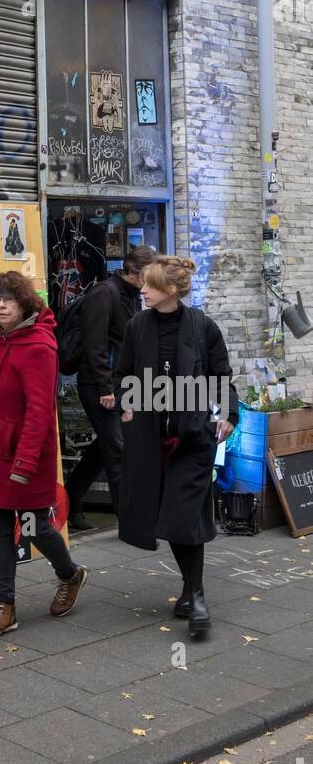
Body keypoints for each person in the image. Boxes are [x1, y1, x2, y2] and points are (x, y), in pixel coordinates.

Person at [113, 254, 238, 638]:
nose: (142, 289)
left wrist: (228, 415)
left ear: (170, 290)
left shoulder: (203, 327)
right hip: (151, 441)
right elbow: (123, 374)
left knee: (185, 516)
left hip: (192, 438)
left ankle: (196, 596)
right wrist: (126, 402)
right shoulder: (137, 326)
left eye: (148, 285)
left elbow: (221, 376)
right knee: (163, 516)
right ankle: (188, 590)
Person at [0, 271, 87, 638]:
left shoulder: (39, 347)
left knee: (34, 527)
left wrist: (26, 461)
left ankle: (70, 573)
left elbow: (39, 412)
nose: (1, 305)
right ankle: (5, 606)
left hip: (25, 457)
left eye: (9, 300)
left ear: (24, 304)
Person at [65, 245, 156, 531]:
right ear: (135, 272)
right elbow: (95, 346)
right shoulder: (105, 294)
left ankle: (70, 499)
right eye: (151, 275)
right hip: (98, 386)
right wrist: (106, 388)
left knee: (106, 446)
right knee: (118, 449)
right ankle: (129, 521)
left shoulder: (131, 296)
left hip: (121, 385)